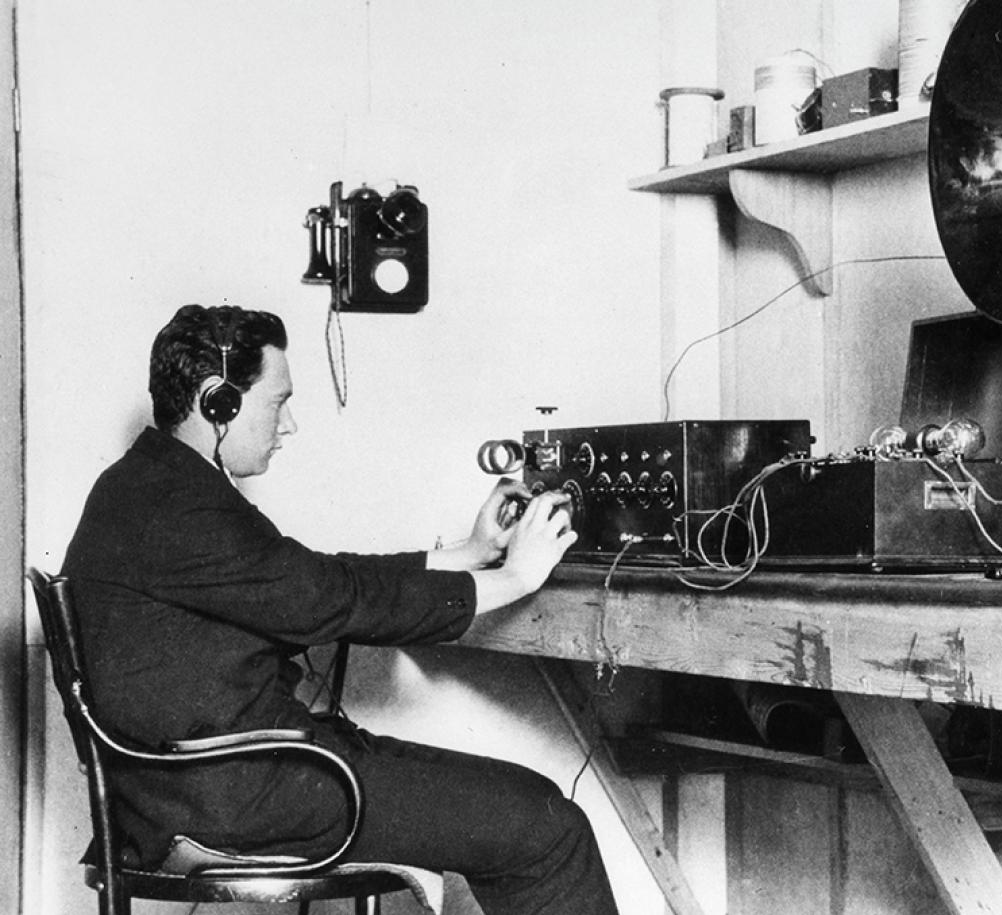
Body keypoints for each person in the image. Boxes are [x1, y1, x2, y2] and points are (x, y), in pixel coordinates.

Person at [60, 303, 619, 915]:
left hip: (207, 783)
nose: (289, 423)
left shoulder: (149, 485)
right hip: (235, 793)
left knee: (532, 804)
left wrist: (469, 552)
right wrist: (514, 576)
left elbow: (312, 578)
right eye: (278, 401)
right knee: (547, 830)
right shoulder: (180, 505)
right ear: (219, 402)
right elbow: (329, 601)